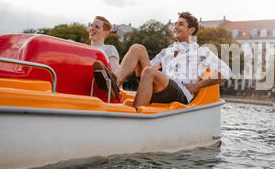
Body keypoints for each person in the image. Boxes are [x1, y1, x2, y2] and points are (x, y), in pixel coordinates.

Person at [93, 12, 231, 108]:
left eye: (181, 24)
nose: (175, 27)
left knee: (149, 72)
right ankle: (114, 84)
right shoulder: (167, 52)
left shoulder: (201, 52)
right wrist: (135, 64)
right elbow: (144, 70)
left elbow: (226, 72)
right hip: (160, 86)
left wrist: (196, 86)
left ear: (191, 30)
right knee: (137, 48)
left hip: (180, 92)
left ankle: (135, 117)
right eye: (175, 24)